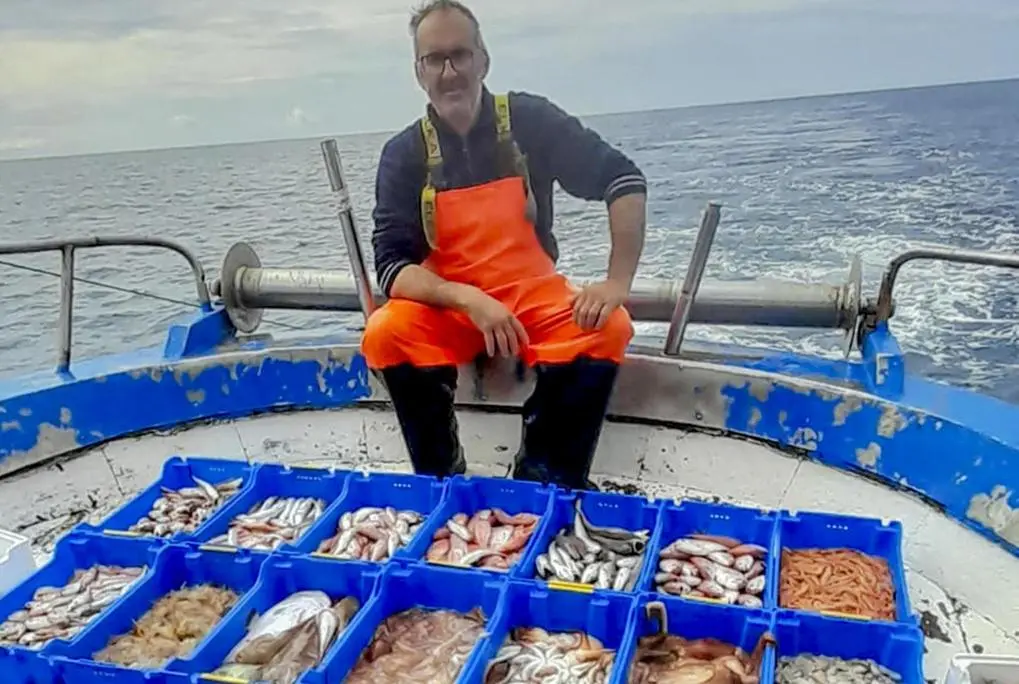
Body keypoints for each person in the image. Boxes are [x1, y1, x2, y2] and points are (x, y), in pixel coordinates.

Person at [361, 0, 647, 490]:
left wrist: (617, 281)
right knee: (386, 334)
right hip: (450, 305)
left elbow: (623, 180)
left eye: (460, 55)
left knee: (608, 328)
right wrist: (469, 300)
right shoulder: (403, 154)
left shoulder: (530, 120)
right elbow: (391, 266)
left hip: (531, 296)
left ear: (483, 59)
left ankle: (543, 477)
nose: (450, 72)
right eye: (435, 60)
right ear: (419, 72)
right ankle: (441, 477)